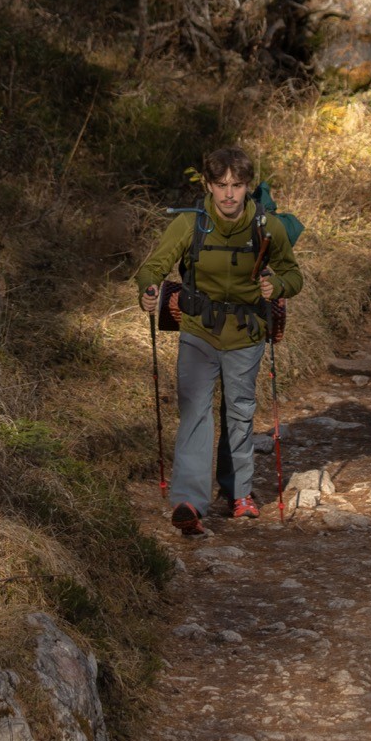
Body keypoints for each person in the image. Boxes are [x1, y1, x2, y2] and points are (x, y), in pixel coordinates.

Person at [137, 146, 303, 534]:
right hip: (199, 330)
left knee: (240, 412)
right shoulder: (190, 223)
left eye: (237, 185)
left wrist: (277, 285)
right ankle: (190, 502)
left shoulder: (267, 227)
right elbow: (153, 267)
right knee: (195, 410)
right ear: (208, 185)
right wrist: (148, 288)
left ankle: (238, 493)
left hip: (246, 334)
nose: (229, 194)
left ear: (247, 186)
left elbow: (294, 276)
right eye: (222, 185)